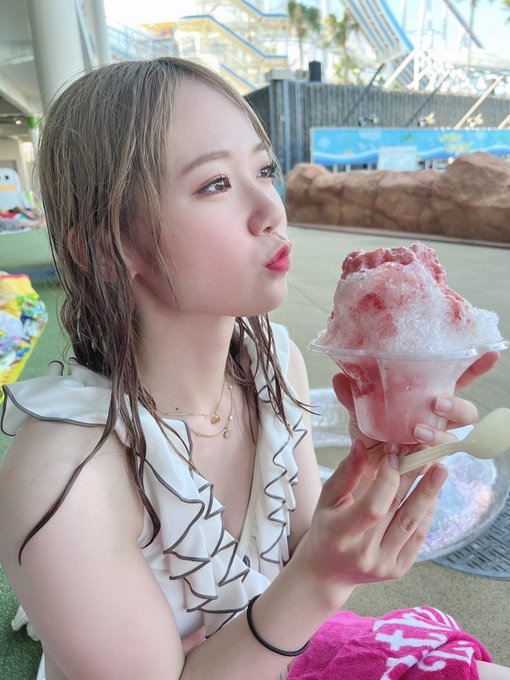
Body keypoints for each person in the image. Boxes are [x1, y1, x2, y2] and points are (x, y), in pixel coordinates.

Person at [0, 57, 507, 680]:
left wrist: (382, 465)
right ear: (109, 248)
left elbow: (300, 554)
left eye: (265, 170)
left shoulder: (275, 363)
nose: (270, 207)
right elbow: (303, 585)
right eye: (215, 183)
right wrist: (320, 578)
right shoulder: (65, 480)